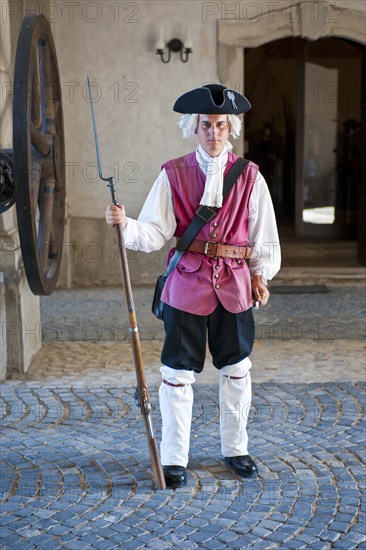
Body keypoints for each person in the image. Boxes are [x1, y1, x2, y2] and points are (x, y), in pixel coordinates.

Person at [105, 84, 281, 488]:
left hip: (235, 286)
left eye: (221, 125)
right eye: (206, 125)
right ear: (194, 127)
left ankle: (236, 448)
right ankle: (173, 458)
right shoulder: (172, 173)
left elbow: (263, 234)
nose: (214, 133)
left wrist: (260, 273)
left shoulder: (250, 176)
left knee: (237, 369)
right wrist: (125, 223)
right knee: (177, 372)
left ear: (230, 127)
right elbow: (153, 232)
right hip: (186, 284)